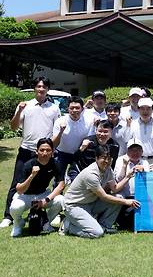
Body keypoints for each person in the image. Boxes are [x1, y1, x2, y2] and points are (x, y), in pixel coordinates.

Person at [2, 77, 60, 228]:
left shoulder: (54, 108)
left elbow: (56, 131)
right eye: (38, 86)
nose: (41, 89)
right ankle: (9, 216)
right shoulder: (25, 105)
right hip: (26, 150)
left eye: (44, 87)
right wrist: (19, 111)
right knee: (17, 183)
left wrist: (49, 149)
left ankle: (42, 213)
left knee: (43, 182)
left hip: (45, 153)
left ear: (48, 89)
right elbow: (14, 127)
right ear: (35, 88)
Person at [61, 145, 140, 238]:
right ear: (96, 158)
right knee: (97, 233)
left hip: (90, 203)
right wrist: (127, 202)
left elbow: (115, 188)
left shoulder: (108, 169)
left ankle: (105, 225)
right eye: (104, 158)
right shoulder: (91, 174)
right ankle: (68, 226)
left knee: (118, 197)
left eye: (109, 158)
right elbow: (104, 197)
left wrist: (128, 176)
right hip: (73, 205)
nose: (107, 161)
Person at [9, 138, 65, 237]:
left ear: (52, 152)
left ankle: (45, 222)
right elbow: (19, 189)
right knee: (15, 207)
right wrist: (31, 176)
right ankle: (18, 223)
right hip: (25, 196)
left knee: (60, 200)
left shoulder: (55, 164)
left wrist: (46, 200)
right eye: (42, 150)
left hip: (42, 194)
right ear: (36, 151)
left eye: (48, 150)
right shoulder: (28, 165)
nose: (45, 153)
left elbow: (61, 185)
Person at [52, 97, 94, 173]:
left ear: (82, 109)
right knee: (59, 179)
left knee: (79, 179)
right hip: (62, 154)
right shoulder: (60, 121)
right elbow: (54, 144)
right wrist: (61, 132)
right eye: (72, 108)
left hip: (80, 153)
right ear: (68, 109)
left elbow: (91, 138)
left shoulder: (89, 121)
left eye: (77, 108)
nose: (74, 110)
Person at [130, 98, 153, 166]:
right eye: (142, 108)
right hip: (137, 162)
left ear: (152, 110)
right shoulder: (132, 124)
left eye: (148, 108)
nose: (145, 111)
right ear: (138, 109)